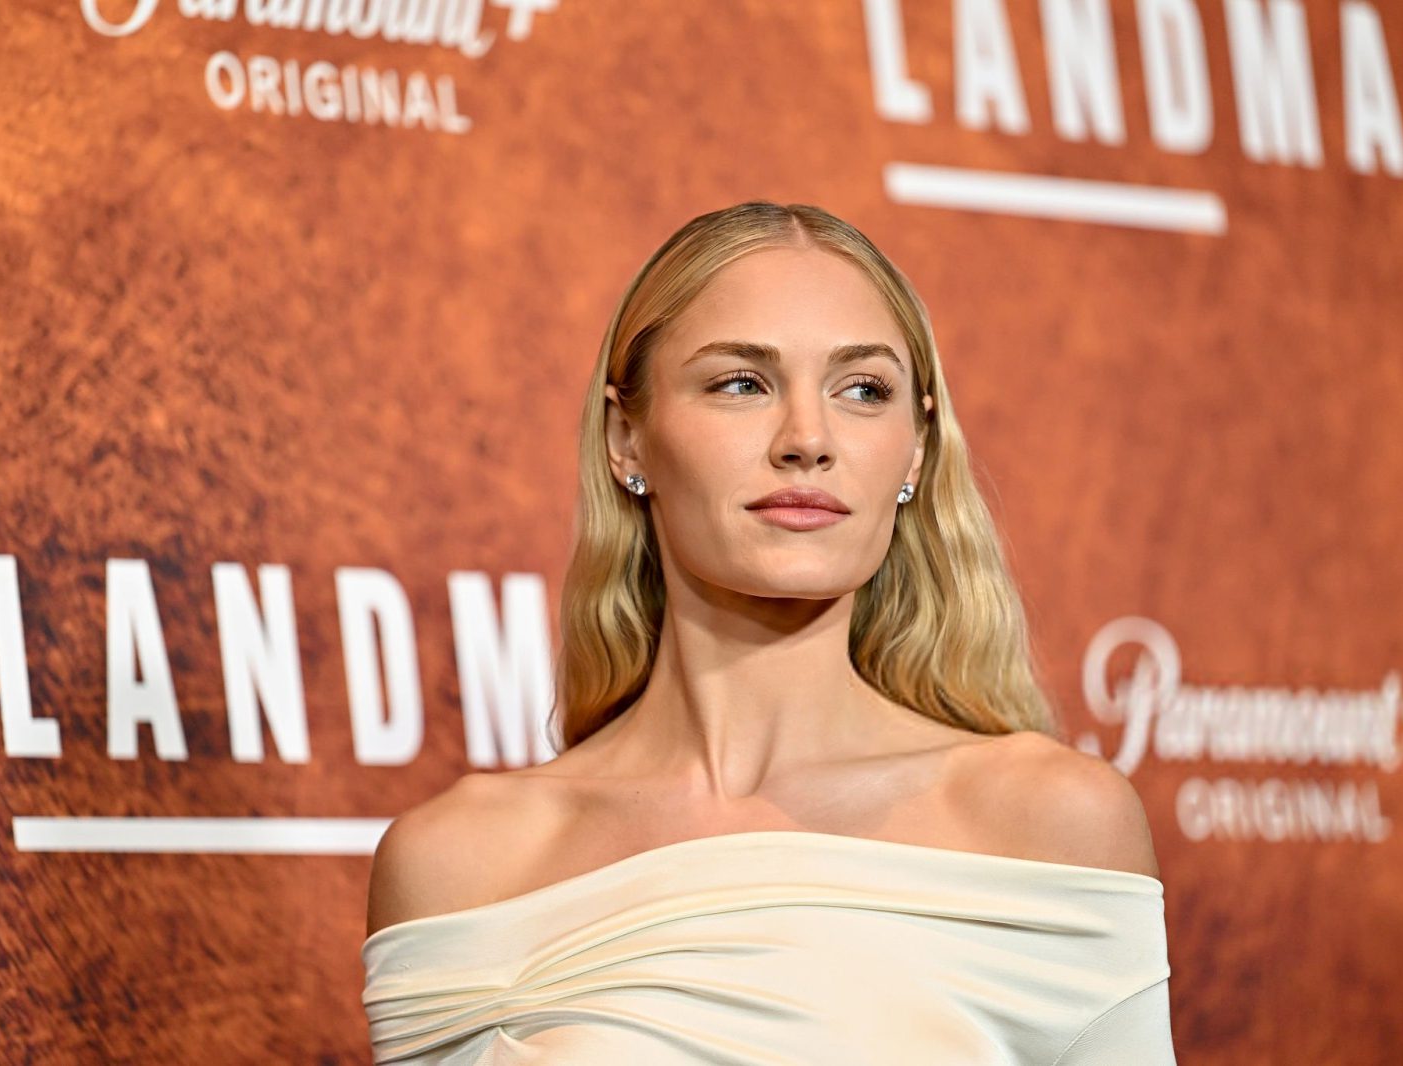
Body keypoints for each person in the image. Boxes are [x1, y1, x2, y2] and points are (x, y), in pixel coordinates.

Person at [361, 201, 1177, 1064]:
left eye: (863, 390)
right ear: (625, 437)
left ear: (915, 449)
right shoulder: (461, 866)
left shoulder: (1049, 825)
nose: (808, 440)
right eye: (741, 384)